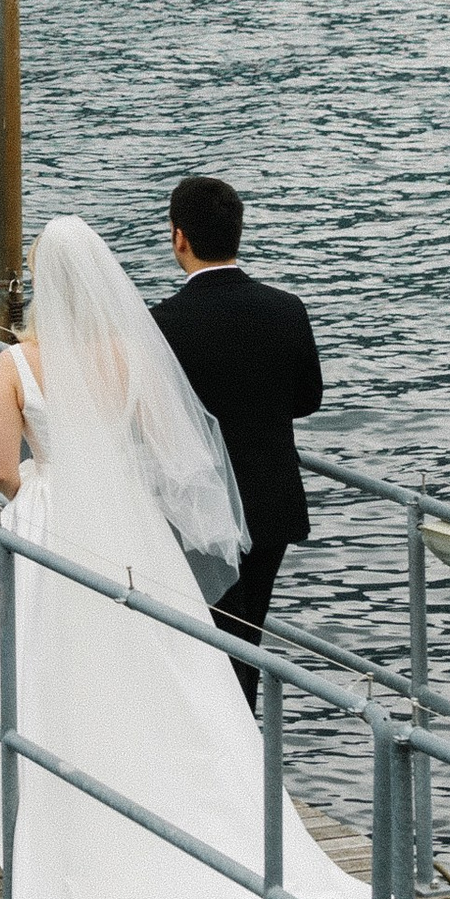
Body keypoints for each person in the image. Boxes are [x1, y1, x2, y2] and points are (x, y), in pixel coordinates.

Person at [0, 215, 393, 899]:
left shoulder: (14, 362)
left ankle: (43, 802)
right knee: (146, 661)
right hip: (127, 529)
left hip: (49, 520)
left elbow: (7, 472)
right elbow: (167, 454)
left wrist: (44, 493)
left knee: (45, 656)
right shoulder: (128, 356)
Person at [151, 173, 323, 705]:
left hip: (201, 513)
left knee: (209, 640)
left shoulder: (162, 324)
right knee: (248, 635)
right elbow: (307, 400)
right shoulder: (286, 308)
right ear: (238, 233)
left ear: (179, 237)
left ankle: (231, 750)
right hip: (270, 502)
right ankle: (245, 748)